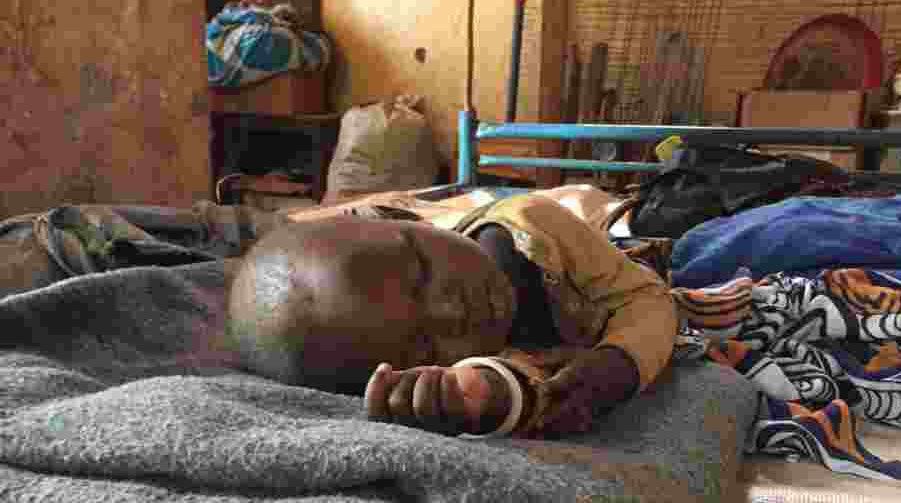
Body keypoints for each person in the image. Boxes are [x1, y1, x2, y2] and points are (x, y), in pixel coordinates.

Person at [228, 192, 679, 438]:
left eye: (420, 270)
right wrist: (470, 402)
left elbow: (646, 299)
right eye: (423, 342)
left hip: (623, 262)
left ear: (407, 221)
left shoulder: (535, 226)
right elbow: (525, 388)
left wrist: (621, 362)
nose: (451, 309)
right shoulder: (479, 357)